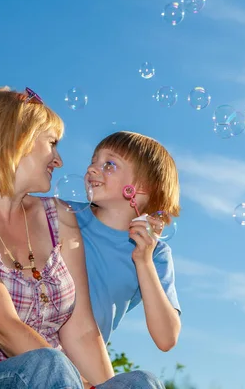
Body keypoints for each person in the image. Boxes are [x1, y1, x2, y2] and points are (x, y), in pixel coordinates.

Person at [0, 88, 164, 389]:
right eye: (51, 143)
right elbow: (2, 328)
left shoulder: (59, 217)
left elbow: (82, 332)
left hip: (57, 380)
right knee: (47, 364)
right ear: (15, 139)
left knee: (140, 383)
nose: (59, 160)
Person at [76, 131, 182, 349]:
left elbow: (167, 339)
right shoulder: (62, 215)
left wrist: (144, 261)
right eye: (93, 161)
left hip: (87, 364)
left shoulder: (155, 253)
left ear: (142, 187)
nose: (91, 169)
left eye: (109, 164)